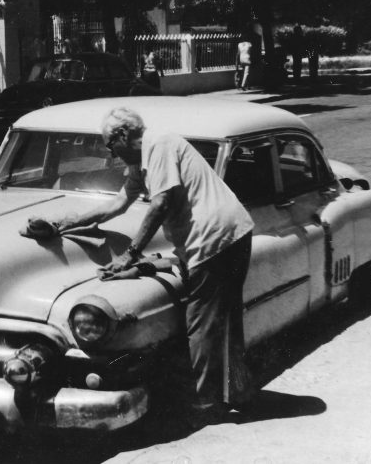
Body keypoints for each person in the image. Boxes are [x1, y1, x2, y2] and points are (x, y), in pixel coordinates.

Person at [53, 107, 255, 425]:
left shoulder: (159, 145)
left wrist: (131, 254)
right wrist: (67, 223)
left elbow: (162, 202)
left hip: (213, 239)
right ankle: (237, 394)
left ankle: (206, 404)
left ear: (123, 135)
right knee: (224, 318)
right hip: (233, 233)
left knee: (200, 322)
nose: (110, 153)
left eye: (109, 144)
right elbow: (119, 203)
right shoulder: (141, 162)